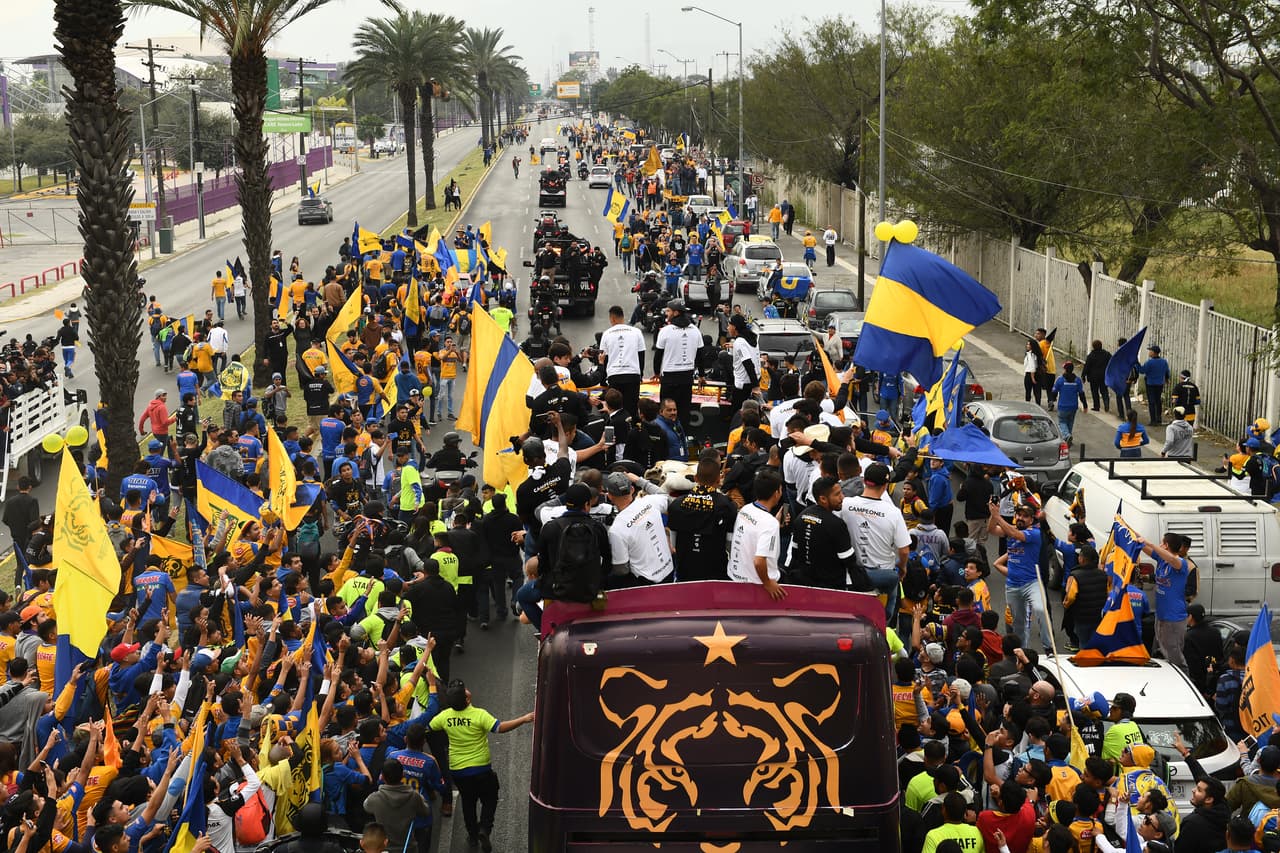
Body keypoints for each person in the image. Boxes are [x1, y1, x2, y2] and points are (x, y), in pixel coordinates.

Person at [428, 679, 534, 852]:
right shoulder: (479, 715)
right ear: (467, 700)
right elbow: (499, 728)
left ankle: (472, 836)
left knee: (468, 803)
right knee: (490, 799)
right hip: (482, 769)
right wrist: (523, 719)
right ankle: (484, 828)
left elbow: (429, 727)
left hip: (459, 772)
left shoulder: (445, 716)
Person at [840, 463, 910, 621]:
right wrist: (902, 567)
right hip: (882, 576)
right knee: (881, 620)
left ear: (864, 480)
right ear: (885, 485)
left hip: (852, 574)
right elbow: (904, 550)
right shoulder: (893, 513)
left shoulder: (846, 504)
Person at [989, 503, 1052, 650]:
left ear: (1031, 520)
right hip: (1012, 585)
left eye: (1025, 516)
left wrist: (998, 516)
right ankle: (1021, 652)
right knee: (1018, 623)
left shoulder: (1035, 533)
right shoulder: (1011, 529)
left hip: (1031, 583)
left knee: (1041, 610)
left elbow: (1014, 534)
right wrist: (993, 513)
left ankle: (1048, 646)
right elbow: (991, 529)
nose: (1021, 518)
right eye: (1018, 515)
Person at [727, 469, 787, 601]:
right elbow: (759, 561)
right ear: (777, 492)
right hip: (757, 586)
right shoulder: (769, 524)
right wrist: (768, 583)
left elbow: (754, 532)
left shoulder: (745, 509)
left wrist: (776, 522)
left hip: (736, 577)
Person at [1138, 531, 1190, 671]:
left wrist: (1151, 543)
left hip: (1173, 618)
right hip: (1161, 616)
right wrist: (1128, 530)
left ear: (1166, 546)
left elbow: (1173, 560)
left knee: (1174, 656)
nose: (1160, 545)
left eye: (1162, 543)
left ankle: (1183, 679)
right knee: (1161, 651)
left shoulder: (1181, 563)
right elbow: (1143, 546)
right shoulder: (1162, 560)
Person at [598, 305, 646, 419]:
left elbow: (604, 359)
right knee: (632, 408)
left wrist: (603, 380)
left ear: (612, 318)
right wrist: (640, 375)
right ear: (623, 317)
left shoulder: (607, 334)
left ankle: (617, 431)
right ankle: (633, 431)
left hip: (614, 376)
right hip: (633, 375)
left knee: (615, 409)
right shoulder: (636, 332)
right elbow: (641, 355)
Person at [1051, 361, 1088, 442]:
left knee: (1062, 422)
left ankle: (1067, 435)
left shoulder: (1060, 380)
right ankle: (1069, 439)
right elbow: (1081, 394)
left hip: (1063, 406)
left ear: (1065, 369)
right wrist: (1085, 405)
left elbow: (1054, 391)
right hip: (1073, 406)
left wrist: (1053, 399)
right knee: (1070, 422)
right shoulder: (1077, 380)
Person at [1138, 343, 1170, 425]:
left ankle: (1153, 420)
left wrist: (1136, 364)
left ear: (1154, 352)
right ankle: (1159, 418)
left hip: (1150, 384)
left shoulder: (1150, 362)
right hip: (1160, 384)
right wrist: (1166, 379)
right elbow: (1167, 372)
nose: (1149, 352)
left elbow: (1142, 371)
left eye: (1150, 351)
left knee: (1151, 402)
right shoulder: (1164, 362)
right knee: (1158, 401)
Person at [1082, 338, 1111, 413]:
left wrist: (1083, 375)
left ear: (1093, 347)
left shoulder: (1091, 356)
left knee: (1095, 392)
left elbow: (1087, 366)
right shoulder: (1107, 354)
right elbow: (1111, 363)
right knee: (1104, 391)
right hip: (1104, 376)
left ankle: (1096, 406)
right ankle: (1106, 405)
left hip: (1093, 377)